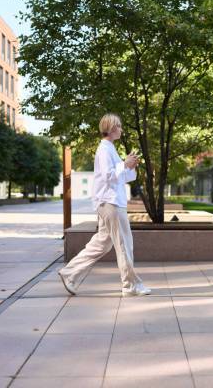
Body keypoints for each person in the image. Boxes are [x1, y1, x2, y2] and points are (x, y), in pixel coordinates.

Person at [58, 113, 151, 297]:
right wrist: (124, 164)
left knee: (102, 244)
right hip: (111, 203)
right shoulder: (104, 150)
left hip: (109, 202)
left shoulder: (110, 149)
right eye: (119, 126)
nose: (121, 129)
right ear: (111, 128)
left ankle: (69, 272)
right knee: (124, 244)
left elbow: (120, 177)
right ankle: (130, 285)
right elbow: (109, 175)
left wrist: (129, 167)